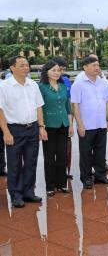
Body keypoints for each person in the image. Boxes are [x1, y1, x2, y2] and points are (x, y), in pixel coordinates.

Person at [0, 56, 46, 208]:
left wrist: (41, 127)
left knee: (31, 163)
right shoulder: (4, 86)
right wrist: (6, 132)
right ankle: (16, 195)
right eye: (22, 65)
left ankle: (28, 192)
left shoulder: (33, 84)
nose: (26, 68)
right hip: (14, 129)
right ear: (12, 68)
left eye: (27, 65)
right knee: (14, 164)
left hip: (32, 128)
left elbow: (39, 107)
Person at [71, 56, 108, 189]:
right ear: (85, 67)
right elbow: (75, 105)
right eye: (93, 65)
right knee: (85, 153)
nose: (97, 68)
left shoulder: (103, 83)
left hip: (101, 123)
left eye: (97, 65)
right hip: (86, 125)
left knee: (100, 151)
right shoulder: (78, 83)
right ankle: (86, 178)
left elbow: (107, 102)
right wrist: (80, 124)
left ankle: (100, 175)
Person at [39, 60, 73, 196]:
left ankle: (62, 183)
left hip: (63, 124)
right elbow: (39, 108)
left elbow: (67, 108)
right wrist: (41, 127)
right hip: (49, 125)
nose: (57, 73)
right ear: (46, 72)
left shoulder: (63, 85)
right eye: (53, 70)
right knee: (49, 157)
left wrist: (70, 125)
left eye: (59, 70)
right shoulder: (41, 87)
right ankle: (50, 185)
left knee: (62, 156)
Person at [52, 57, 74, 179]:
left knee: (65, 147)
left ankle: (65, 171)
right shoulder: (44, 83)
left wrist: (71, 120)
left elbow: (68, 101)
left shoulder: (66, 80)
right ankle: (54, 173)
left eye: (63, 70)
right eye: (58, 69)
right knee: (53, 149)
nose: (60, 72)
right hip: (52, 120)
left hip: (66, 118)